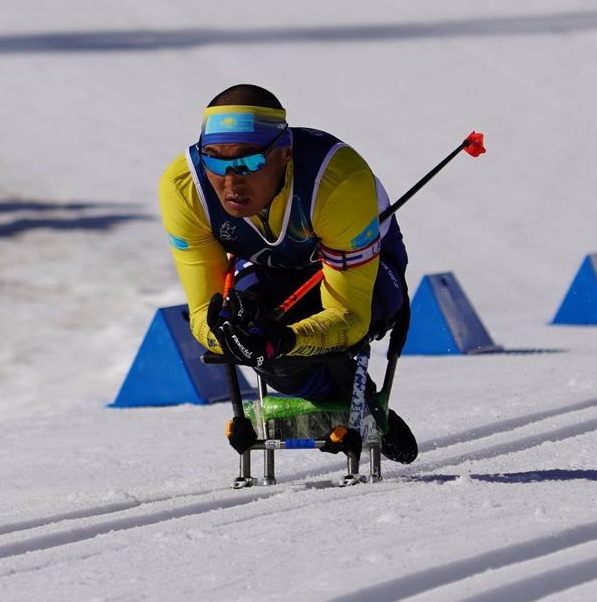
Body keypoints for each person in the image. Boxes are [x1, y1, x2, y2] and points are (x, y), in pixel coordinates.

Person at [158, 84, 417, 464]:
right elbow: (203, 315)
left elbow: (351, 317)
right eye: (215, 160)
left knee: (285, 341)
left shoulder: (337, 182)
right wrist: (231, 338)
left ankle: (350, 400)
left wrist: (284, 341)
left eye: (248, 161)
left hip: (368, 270)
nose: (231, 182)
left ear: (285, 154)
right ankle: (348, 401)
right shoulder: (185, 189)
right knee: (244, 325)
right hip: (270, 267)